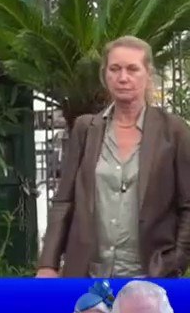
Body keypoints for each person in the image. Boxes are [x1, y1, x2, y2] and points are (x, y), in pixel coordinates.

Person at [38, 36, 190, 278]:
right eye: (115, 69)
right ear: (104, 75)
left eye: (132, 69)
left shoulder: (174, 131)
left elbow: (187, 206)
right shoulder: (85, 129)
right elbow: (64, 200)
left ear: (148, 74)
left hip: (148, 278)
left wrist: (174, 262)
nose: (123, 77)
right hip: (89, 276)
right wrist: (48, 264)